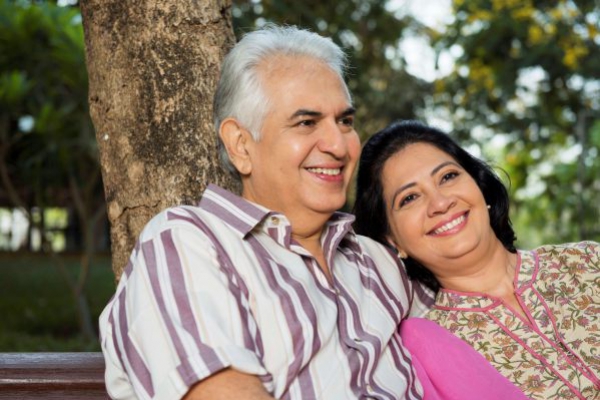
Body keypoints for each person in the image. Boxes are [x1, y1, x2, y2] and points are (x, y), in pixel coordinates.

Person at [99, 25, 441, 400]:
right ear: (240, 145)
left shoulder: (378, 262)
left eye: (345, 121)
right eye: (306, 123)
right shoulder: (187, 242)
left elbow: (475, 313)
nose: (338, 145)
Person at [353, 120, 600, 400]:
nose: (440, 203)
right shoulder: (428, 353)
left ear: (479, 185)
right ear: (391, 240)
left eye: (447, 177)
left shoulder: (587, 260)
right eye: (409, 198)